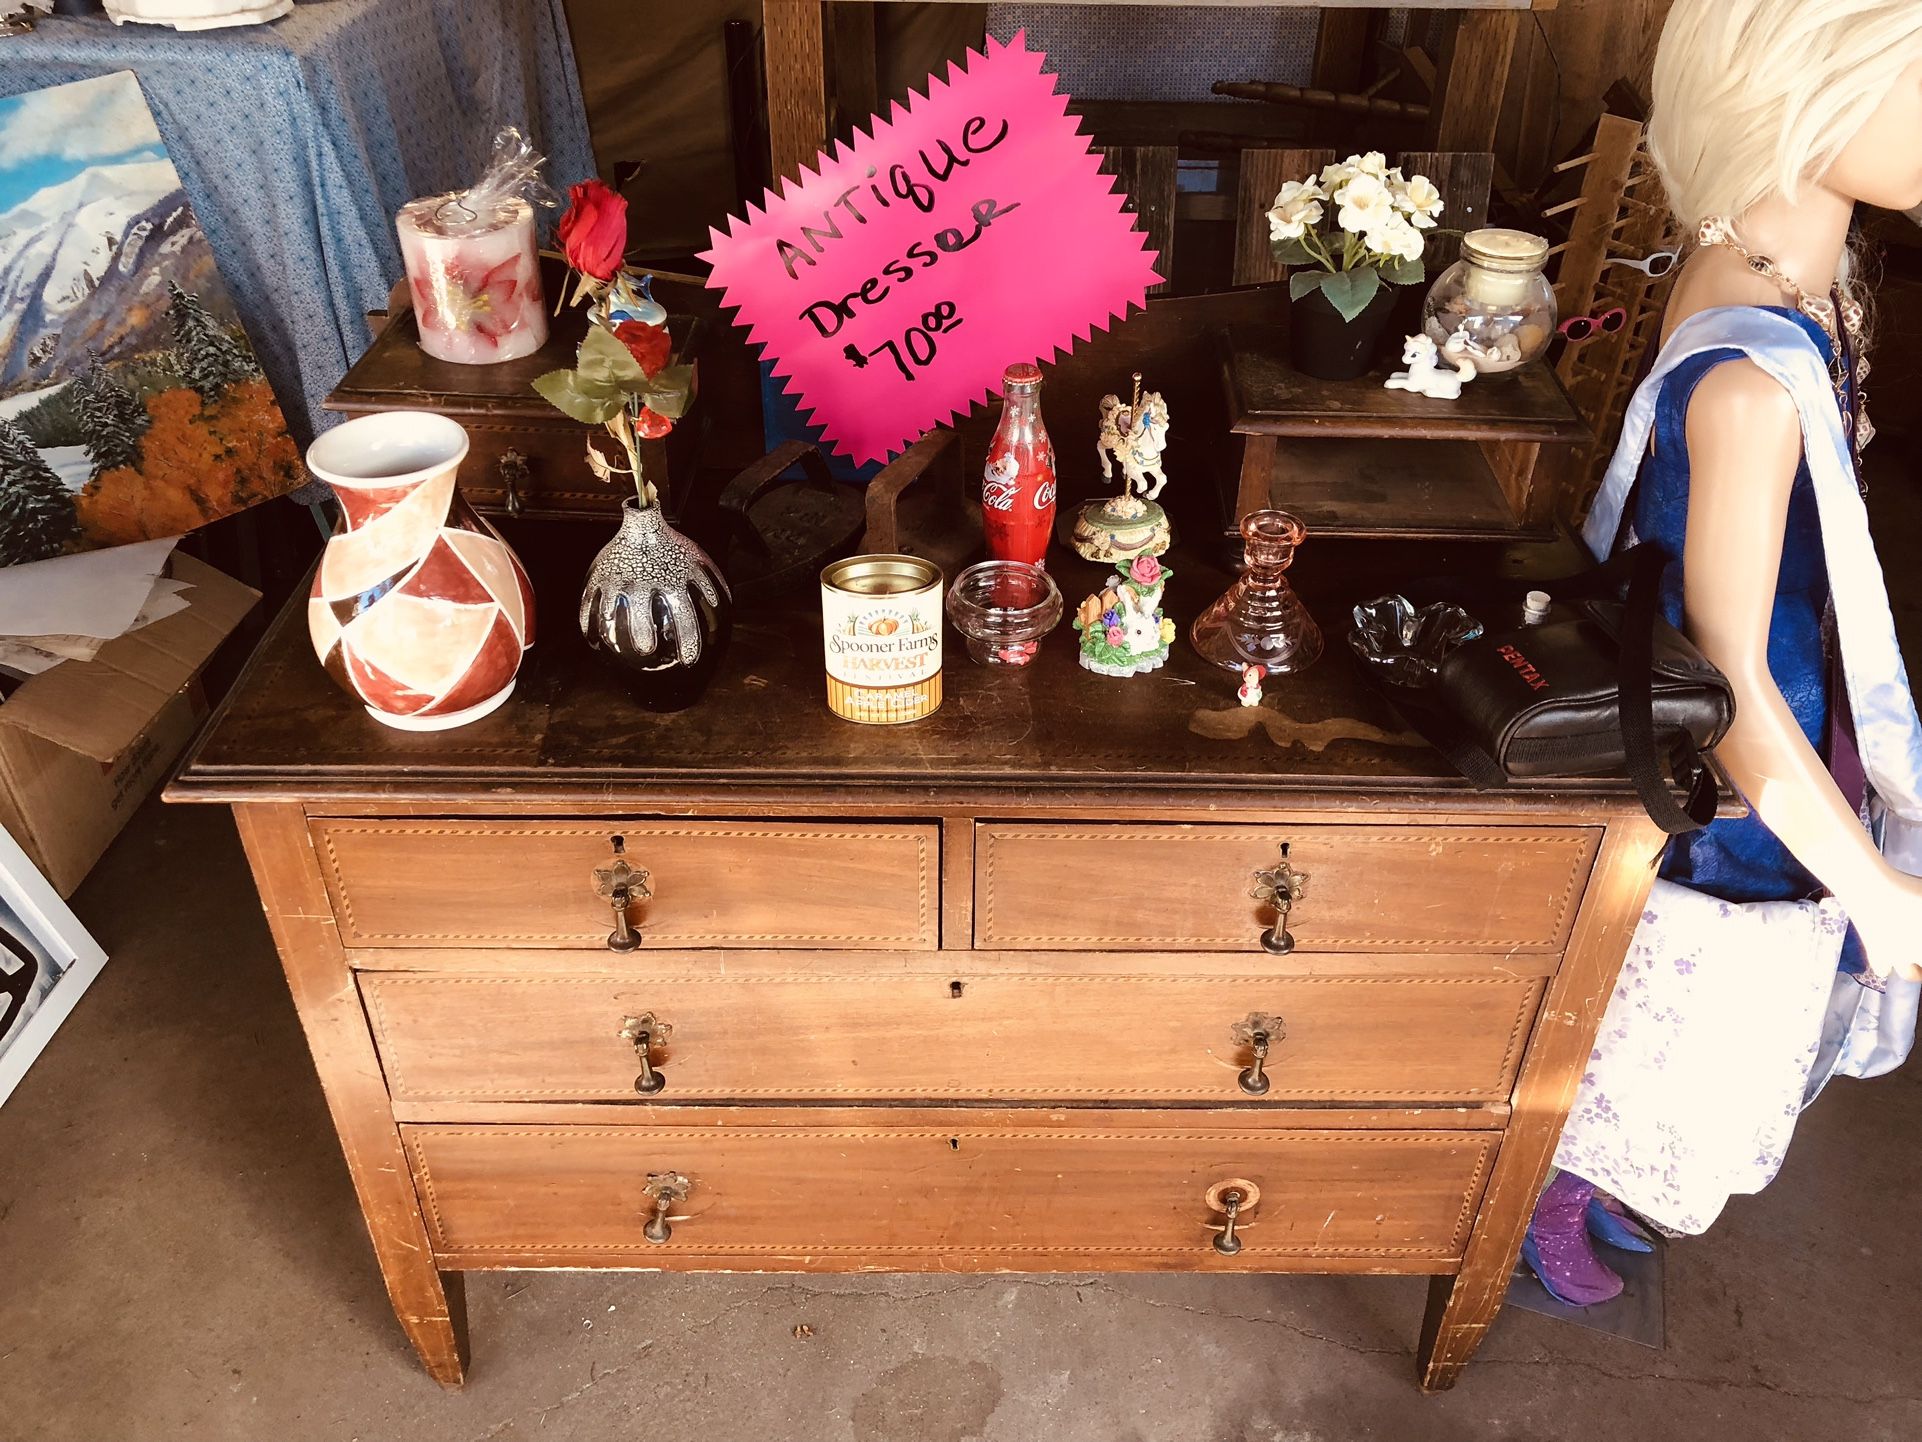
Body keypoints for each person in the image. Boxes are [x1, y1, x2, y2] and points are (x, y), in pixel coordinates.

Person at [1524, 0, 1922, 1305]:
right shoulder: (1752, 375)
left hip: (1776, 726)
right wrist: (1879, 890)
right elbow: (1736, 684)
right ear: (1803, 91)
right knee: (1683, 1002)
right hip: (1737, 771)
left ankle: (1602, 1174)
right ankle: (1563, 1189)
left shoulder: (1781, 287)